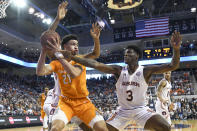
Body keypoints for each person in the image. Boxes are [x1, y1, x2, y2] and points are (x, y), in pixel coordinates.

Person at [54, 30, 182, 131]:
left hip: (141, 109)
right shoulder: (119, 70)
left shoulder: (145, 70)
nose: (126, 55)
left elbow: (172, 66)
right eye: (125, 53)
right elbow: (95, 64)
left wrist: (176, 50)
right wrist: (73, 57)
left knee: (165, 127)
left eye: (129, 53)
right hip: (122, 111)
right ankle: (80, 121)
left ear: (137, 56)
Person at [36, 1, 108, 131]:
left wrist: (96, 39)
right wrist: (57, 19)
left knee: (99, 129)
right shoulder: (55, 61)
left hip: (83, 102)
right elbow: (48, 39)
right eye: (73, 44)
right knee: (55, 128)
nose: (76, 46)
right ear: (64, 47)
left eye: (77, 44)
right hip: (65, 102)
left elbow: (95, 54)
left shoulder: (80, 59)